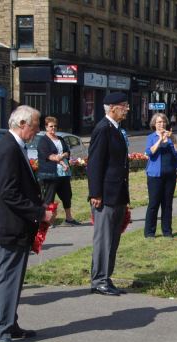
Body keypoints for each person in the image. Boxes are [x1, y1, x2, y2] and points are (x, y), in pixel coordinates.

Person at [0, 106, 56, 342]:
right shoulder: (7, 150)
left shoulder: (13, 146)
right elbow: (9, 193)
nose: (37, 131)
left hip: (15, 224)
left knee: (14, 280)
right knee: (8, 280)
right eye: (35, 126)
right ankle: (1, 332)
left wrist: (39, 205)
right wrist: (39, 214)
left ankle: (9, 325)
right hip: (9, 225)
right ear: (22, 123)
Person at [87, 92, 130, 296]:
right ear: (112, 107)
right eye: (124, 105)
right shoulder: (103, 129)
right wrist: (95, 192)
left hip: (117, 193)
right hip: (105, 195)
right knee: (103, 239)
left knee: (113, 239)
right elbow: (95, 163)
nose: (128, 108)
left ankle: (106, 277)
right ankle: (99, 280)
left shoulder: (117, 129)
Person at [37, 117, 81, 226]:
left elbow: (67, 152)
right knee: (49, 197)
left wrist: (62, 156)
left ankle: (69, 218)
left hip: (63, 173)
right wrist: (62, 162)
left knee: (67, 195)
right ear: (46, 127)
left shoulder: (60, 139)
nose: (53, 128)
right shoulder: (43, 141)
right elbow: (49, 156)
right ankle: (48, 220)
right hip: (51, 173)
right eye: (51, 126)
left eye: (55, 126)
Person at [144, 113, 177, 238]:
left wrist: (173, 139)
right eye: (159, 122)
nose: (162, 124)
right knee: (154, 203)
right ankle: (149, 232)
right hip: (155, 175)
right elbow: (150, 152)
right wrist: (160, 139)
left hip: (170, 174)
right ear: (154, 124)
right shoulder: (151, 137)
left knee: (167, 204)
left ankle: (167, 231)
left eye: (164, 122)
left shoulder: (171, 137)